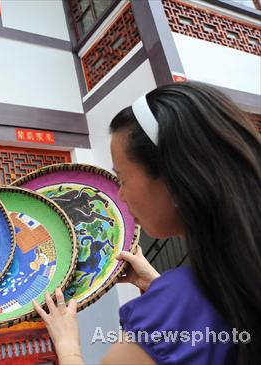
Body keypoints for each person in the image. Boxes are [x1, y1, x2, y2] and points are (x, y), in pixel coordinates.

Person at [33, 82, 260, 364]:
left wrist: (67, 345)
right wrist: (159, 287)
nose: (121, 195)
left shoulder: (179, 301)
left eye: (123, 178)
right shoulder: (237, 275)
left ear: (174, 177)